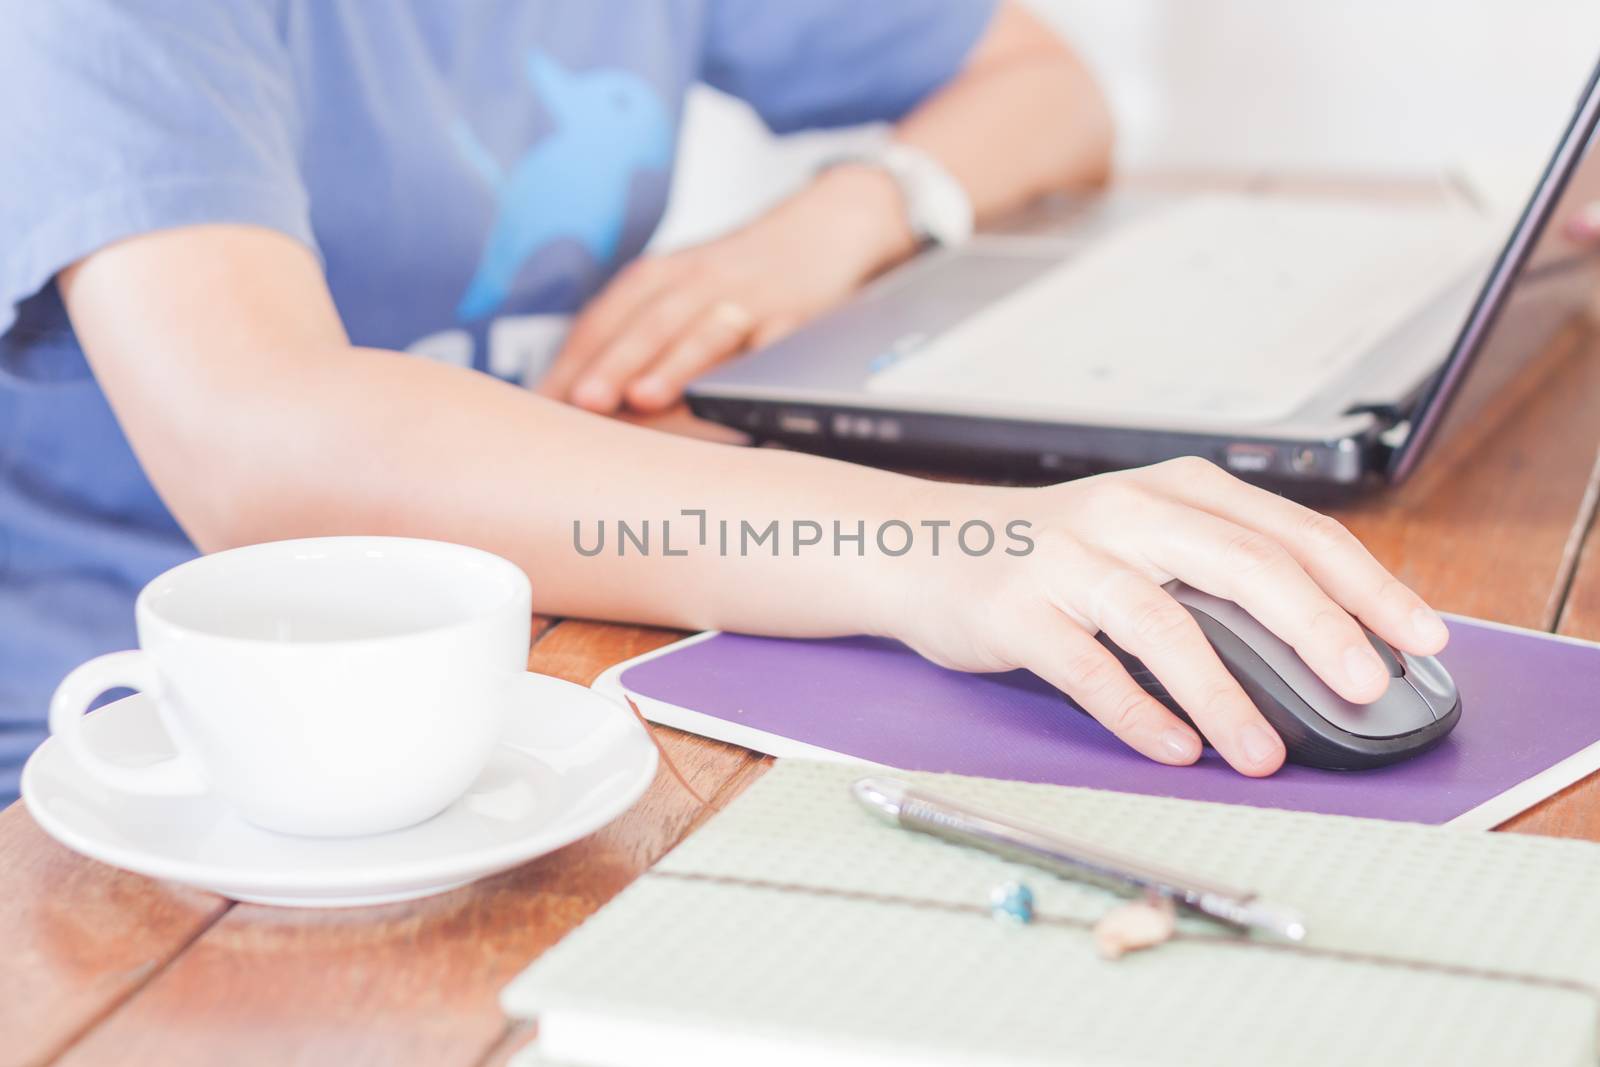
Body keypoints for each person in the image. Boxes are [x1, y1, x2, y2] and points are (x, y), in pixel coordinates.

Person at [0, 0, 1453, 805]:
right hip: (156, 732)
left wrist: (838, 214)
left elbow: (1039, 79)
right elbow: (274, 455)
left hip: (548, 637)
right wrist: (949, 547)